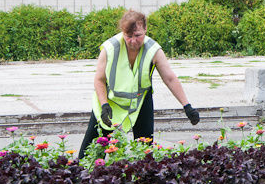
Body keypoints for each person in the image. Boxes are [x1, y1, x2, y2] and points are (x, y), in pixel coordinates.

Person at [77, 10, 200, 159]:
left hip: (140, 102)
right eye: (128, 36)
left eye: (137, 36)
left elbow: (170, 78)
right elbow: (99, 80)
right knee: (90, 152)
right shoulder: (110, 48)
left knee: (145, 152)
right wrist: (104, 105)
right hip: (110, 102)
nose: (133, 41)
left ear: (145, 30)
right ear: (123, 32)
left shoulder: (154, 50)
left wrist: (186, 106)